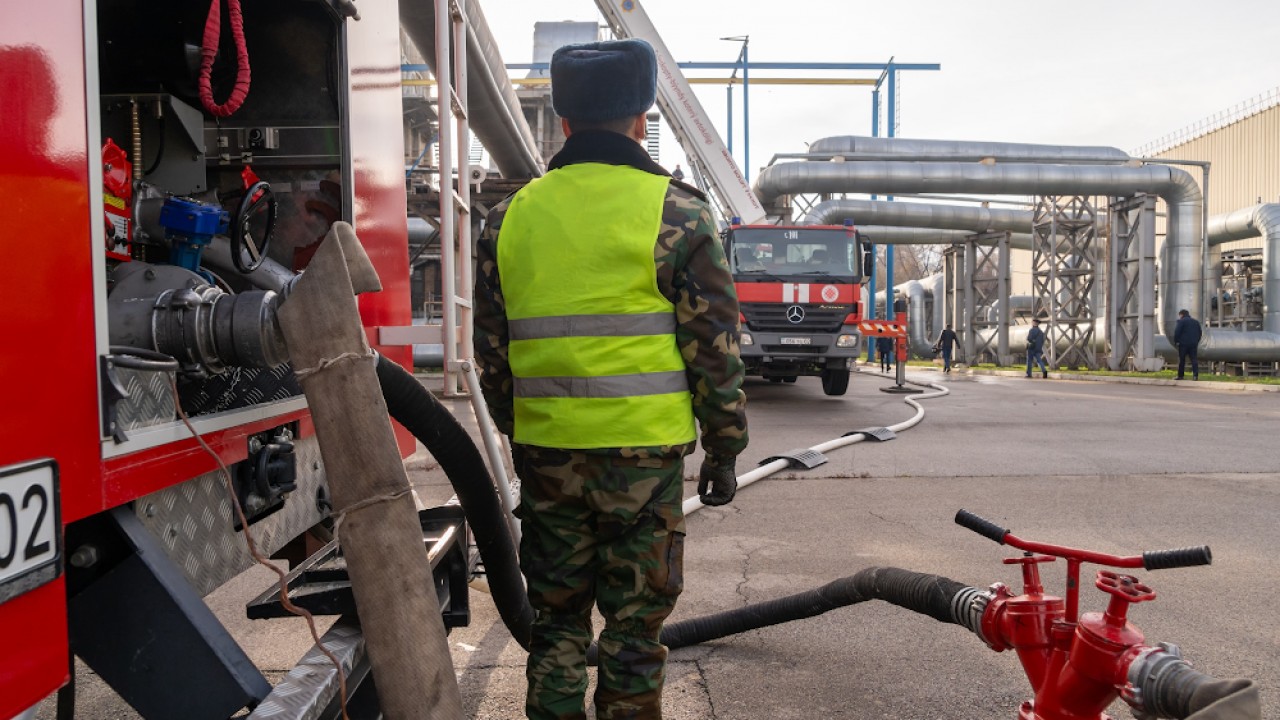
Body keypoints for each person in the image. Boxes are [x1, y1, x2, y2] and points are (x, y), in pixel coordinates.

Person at [473, 38, 749, 720]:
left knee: (557, 626)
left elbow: (492, 353)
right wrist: (724, 447)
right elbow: (714, 350)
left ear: (563, 120)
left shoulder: (509, 218)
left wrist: (522, 437)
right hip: (644, 465)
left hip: (548, 460)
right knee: (632, 634)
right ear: (642, 116)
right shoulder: (678, 214)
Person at [1174, 308, 1203, 380]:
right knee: (1194, 360)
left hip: (1183, 344)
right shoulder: (1196, 322)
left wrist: (1176, 341)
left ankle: (1180, 376)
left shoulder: (1181, 322)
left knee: (1182, 360)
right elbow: (1200, 333)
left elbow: (1177, 332)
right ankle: (1195, 376)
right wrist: (1196, 341)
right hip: (1193, 344)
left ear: (1181, 315)